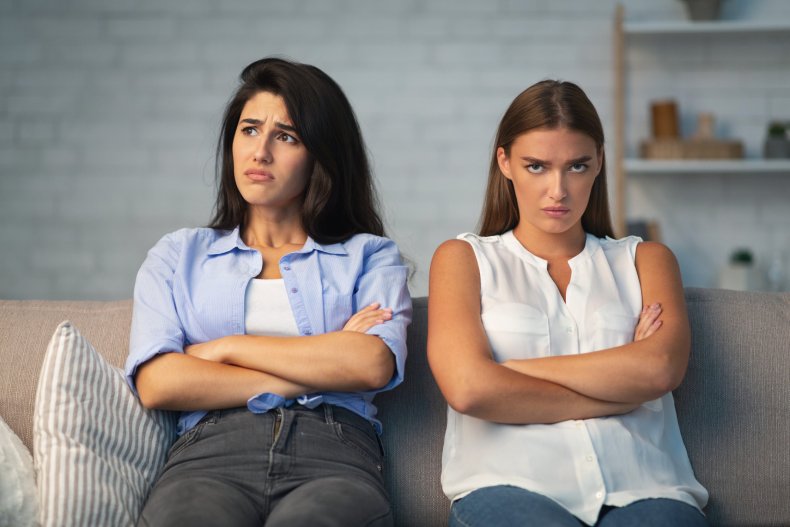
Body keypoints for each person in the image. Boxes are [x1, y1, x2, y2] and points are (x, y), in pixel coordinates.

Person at [124, 57, 411, 527]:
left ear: (321, 154)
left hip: (334, 454)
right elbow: (158, 384)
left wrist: (225, 349)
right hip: (209, 456)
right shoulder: (178, 254)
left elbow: (371, 364)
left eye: (286, 136)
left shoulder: (370, 256)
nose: (260, 152)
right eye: (250, 130)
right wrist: (322, 365)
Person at [427, 80, 708, 527]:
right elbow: (468, 387)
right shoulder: (463, 260)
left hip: (646, 489)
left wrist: (508, 370)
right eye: (536, 166)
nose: (558, 190)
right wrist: (621, 391)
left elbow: (658, 371)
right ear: (505, 162)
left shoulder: (646, 261)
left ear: (598, 162)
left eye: (576, 166)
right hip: (509, 489)